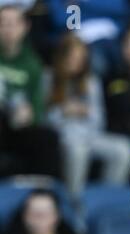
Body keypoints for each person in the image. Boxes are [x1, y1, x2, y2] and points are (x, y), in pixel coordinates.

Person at [45, 33, 130, 201]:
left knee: (123, 148)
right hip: (63, 137)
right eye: (71, 58)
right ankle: (74, 200)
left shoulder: (91, 82)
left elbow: (99, 120)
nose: (75, 63)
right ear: (61, 57)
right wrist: (63, 112)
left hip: (90, 135)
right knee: (78, 150)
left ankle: (106, 199)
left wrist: (85, 113)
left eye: (80, 59)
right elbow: (43, 119)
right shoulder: (49, 78)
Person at [0, 4, 60, 178]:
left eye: (13, 23)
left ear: (25, 27)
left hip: (15, 126)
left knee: (48, 138)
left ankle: (42, 192)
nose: (8, 29)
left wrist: (29, 115)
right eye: (3, 23)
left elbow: (38, 109)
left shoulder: (32, 64)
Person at [4, 189, 94, 234]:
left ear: (57, 216)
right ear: (24, 216)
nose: (41, 218)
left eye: (47, 212)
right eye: (34, 212)